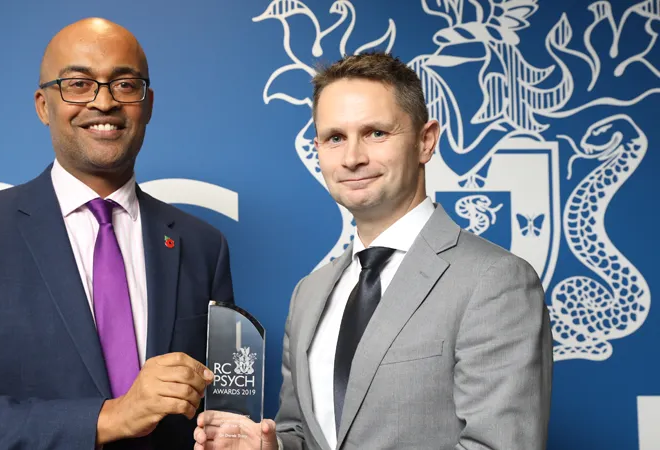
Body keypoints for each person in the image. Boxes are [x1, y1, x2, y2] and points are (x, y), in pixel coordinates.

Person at [195, 52, 553, 449]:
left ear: (425, 140)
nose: (353, 158)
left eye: (376, 133)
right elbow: (303, 433)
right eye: (335, 138)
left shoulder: (493, 281)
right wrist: (271, 446)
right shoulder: (309, 294)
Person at [0, 17, 234, 450]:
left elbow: (226, 409)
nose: (104, 102)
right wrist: (112, 417)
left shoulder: (203, 245)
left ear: (148, 104)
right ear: (44, 105)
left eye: (124, 84)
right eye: (78, 84)